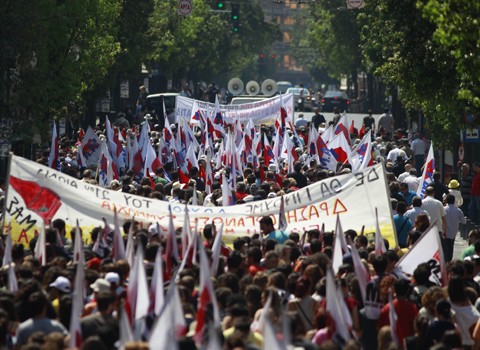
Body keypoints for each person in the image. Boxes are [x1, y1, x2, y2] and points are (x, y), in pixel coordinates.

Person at [443, 194, 466, 262]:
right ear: (454, 201)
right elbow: (464, 222)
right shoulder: (458, 210)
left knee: (445, 249)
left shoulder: (443, 209)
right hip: (453, 233)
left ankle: (445, 261)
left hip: (445, 232)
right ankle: (449, 261)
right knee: (450, 248)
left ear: (447, 200)